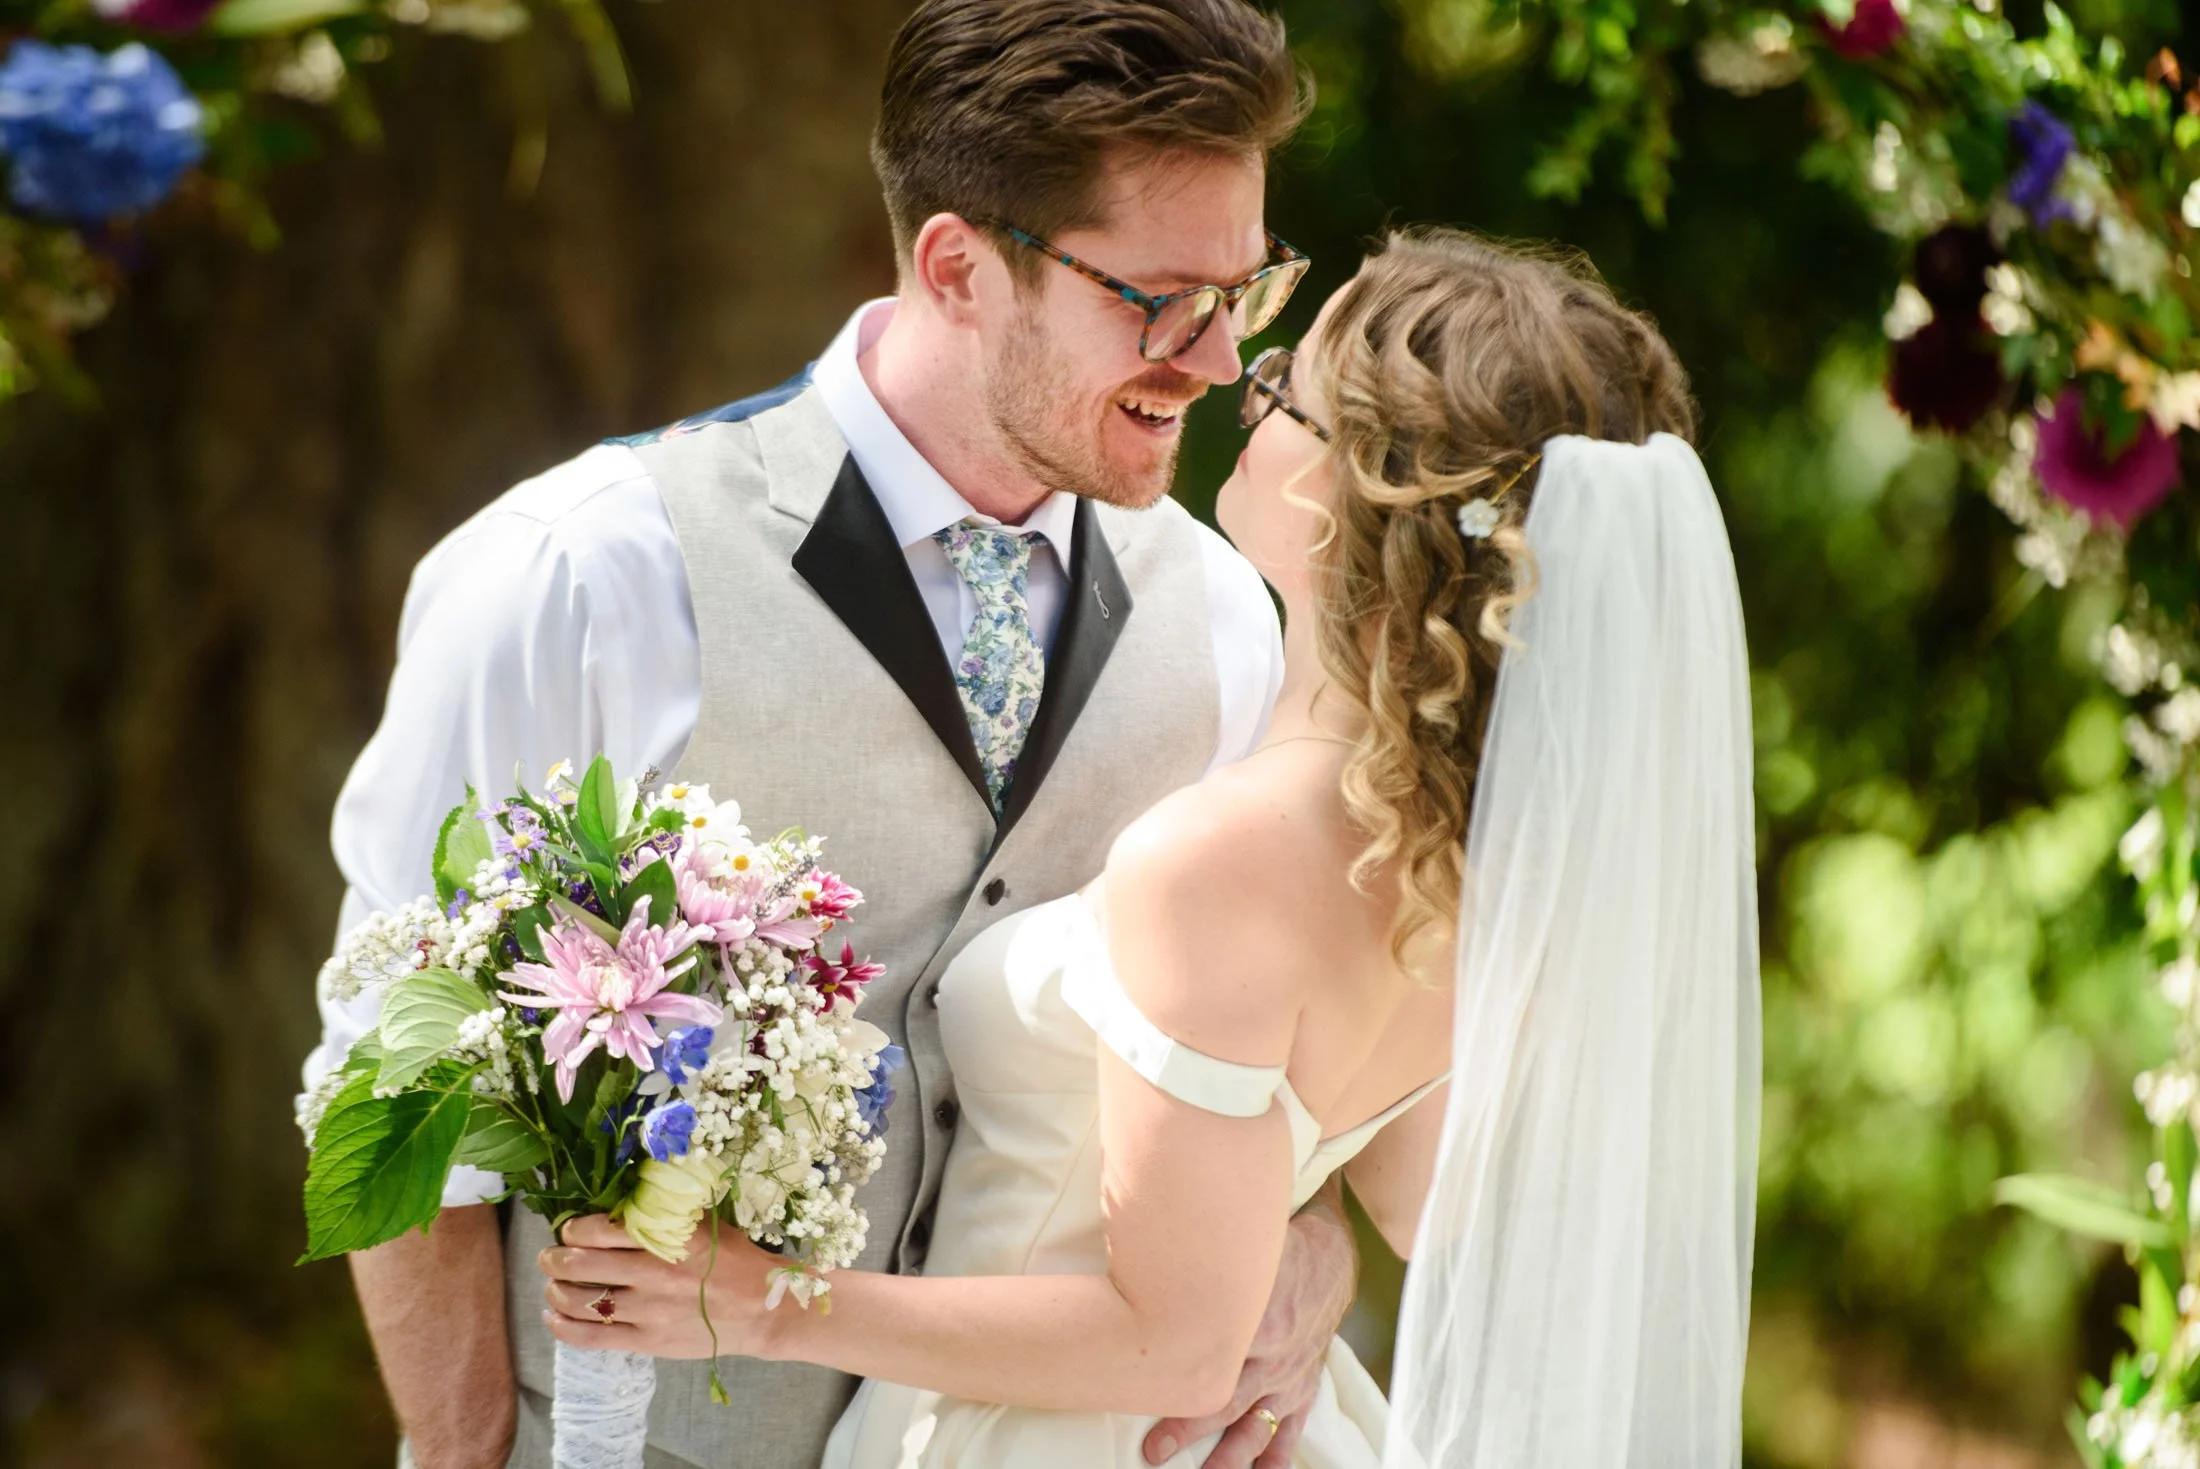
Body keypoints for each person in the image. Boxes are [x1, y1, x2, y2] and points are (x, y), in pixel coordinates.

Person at [298, 4, 1367, 1466]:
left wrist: (1312, 1249)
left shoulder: (1233, 624)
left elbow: (1266, 1065)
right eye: (1161, 300)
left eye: (1247, 292)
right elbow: (396, 1076)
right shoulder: (587, 575)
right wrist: (465, 1451)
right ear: (957, 267)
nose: (1222, 360)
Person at [537, 228, 1763, 1466]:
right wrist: (1306, 1247)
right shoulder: (1462, 859)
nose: (1241, 383)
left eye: (1287, 386)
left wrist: (760, 1303)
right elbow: (1401, 1190)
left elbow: (1167, 1343)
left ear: (1345, 492)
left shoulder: (1220, 855)